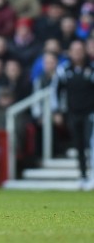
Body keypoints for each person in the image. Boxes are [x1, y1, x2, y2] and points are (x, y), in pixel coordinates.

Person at [51, 40, 94, 190]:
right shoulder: (64, 70)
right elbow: (55, 91)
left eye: (80, 50)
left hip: (90, 113)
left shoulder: (91, 68)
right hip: (73, 113)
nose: (77, 53)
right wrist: (56, 111)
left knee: (91, 143)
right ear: (70, 52)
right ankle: (83, 176)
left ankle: (93, 175)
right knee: (79, 145)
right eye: (74, 50)